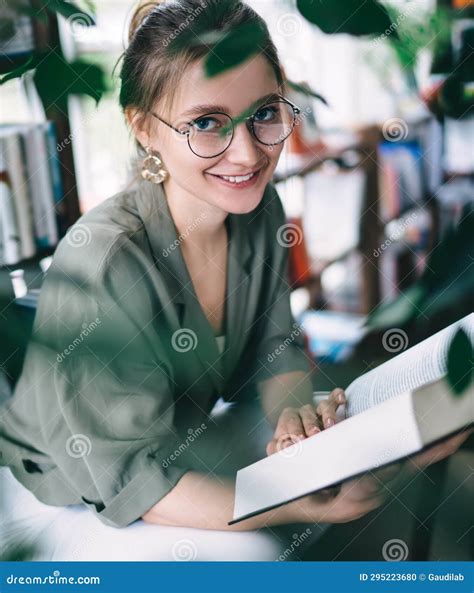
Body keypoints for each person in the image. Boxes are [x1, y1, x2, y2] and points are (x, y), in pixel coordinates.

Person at [0, 0, 469, 558]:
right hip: (70, 492)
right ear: (144, 128)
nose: (247, 153)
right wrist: (293, 503)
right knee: (261, 551)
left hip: (173, 438)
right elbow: (128, 481)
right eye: (205, 123)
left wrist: (295, 418)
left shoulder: (258, 210)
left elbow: (276, 348)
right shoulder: (108, 261)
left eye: (264, 113)